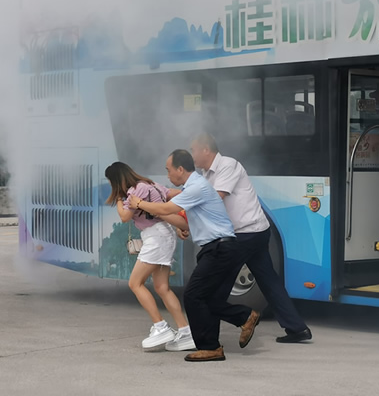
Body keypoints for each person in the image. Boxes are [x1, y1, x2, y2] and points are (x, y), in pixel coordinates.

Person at [128, 150, 260, 362]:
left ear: (181, 169)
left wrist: (140, 204)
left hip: (219, 249)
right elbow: (185, 219)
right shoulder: (193, 187)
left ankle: (216, 340)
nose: (167, 175)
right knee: (208, 298)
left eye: (168, 170)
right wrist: (184, 228)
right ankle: (229, 332)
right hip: (218, 248)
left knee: (193, 295)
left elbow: (167, 207)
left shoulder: (196, 186)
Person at [189, 133, 313, 344]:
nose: (191, 155)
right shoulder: (205, 174)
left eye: (193, 150)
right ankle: (297, 328)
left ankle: (218, 334)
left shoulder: (228, 165)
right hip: (251, 232)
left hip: (246, 234)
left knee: (216, 287)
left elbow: (215, 198)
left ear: (206, 150)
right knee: (269, 281)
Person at [104, 162, 196, 351]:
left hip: (156, 238)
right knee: (162, 288)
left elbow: (124, 217)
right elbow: (171, 193)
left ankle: (160, 327)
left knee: (134, 283)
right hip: (166, 234)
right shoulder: (150, 185)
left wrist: (119, 199)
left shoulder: (135, 191)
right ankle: (185, 332)